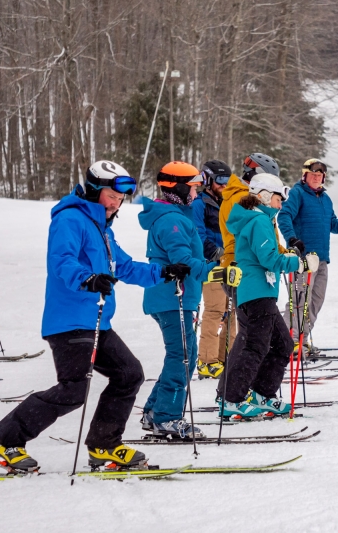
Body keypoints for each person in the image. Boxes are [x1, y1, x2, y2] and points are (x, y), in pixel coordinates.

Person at [0, 161, 186, 471]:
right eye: (111, 195)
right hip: (69, 321)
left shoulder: (102, 229)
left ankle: (105, 446)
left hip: (96, 322)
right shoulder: (70, 220)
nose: (116, 203)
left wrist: (164, 272)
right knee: (73, 389)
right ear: (94, 191)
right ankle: (5, 438)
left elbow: (126, 267)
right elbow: (61, 262)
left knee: (128, 374)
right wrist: (88, 279)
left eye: (121, 199)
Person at [219, 173, 317, 417]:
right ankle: (231, 400)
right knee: (255, 346)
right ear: (263, 196)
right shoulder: (258, 221)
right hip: (255, 293)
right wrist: (299, 264)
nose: (280, 205)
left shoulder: (259, 219)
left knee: (283, 344)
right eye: (277, 199)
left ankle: (263, 394)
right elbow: (269, 259)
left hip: (262, 292)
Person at [139, 161, 217, 438]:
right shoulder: (172, 219)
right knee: (183, 356)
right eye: (194, 187)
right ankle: (167, 417)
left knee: (183, 354)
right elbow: (182, 261)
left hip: (174, 298)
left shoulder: (176, 215)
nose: (197, 193)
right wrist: (216, 271)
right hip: (173, 297)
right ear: (179, 188)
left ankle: (154, 412)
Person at [216, 153, 285, 399]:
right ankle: (230, 393)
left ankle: (244, 390)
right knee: (251, 339)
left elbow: (270, 242)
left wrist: (286, 253)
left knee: (257, 337)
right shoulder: (240, 200)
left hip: (253, 274)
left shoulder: (255, 204)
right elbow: (253, 243)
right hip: (243, 273)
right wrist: (285, 260)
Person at [277, 158, 338, 355]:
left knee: (315, 302)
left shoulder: (325, 199)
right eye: (313, 174)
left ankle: (301, 340)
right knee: (299, 301)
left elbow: (333, 224)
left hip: (321, 260)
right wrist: (293, 240)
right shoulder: (298, 194)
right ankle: (289, 341)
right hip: (302, 260)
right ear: (305, 175)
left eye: (320, 175)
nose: (316, 177)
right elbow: (283, 216)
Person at [192, 160, 234, 379]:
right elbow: (198, 235)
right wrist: (216, 253)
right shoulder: (199, 204)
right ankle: (207, 361)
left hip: (232, 265)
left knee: (233, 313)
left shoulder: (230, 202)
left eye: (227, 180)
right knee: (215, 311)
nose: (224, 185)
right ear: (207, 180)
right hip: (213, 266)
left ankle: (227, 357)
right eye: (220, 181)